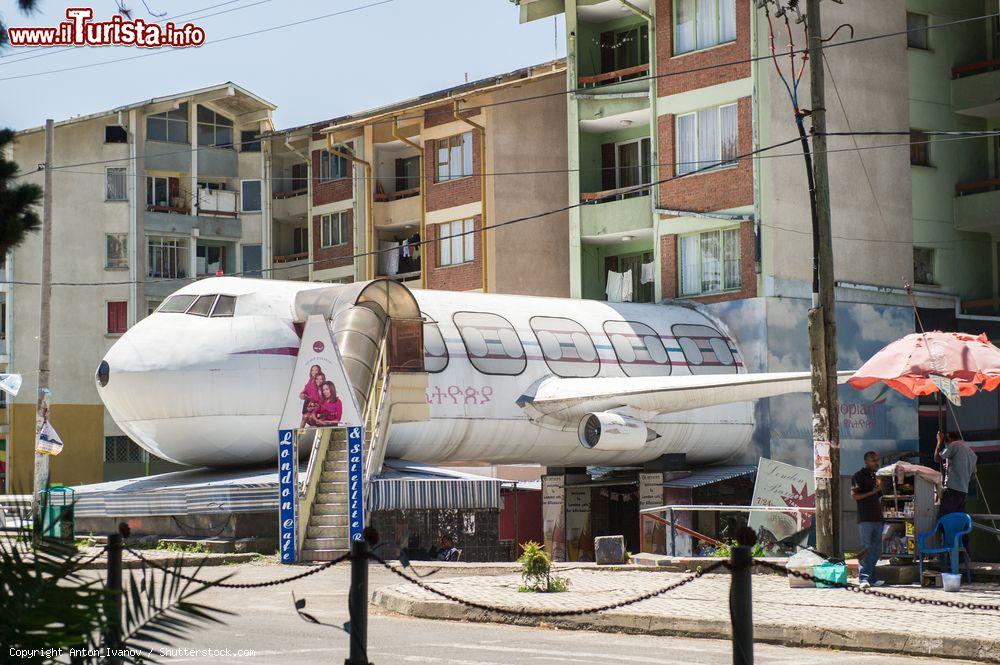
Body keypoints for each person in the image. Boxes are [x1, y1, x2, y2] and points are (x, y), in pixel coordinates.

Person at [935, 431, 978, 551]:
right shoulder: (971, 452)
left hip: (953, 489)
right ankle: (965, 551)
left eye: (946, 442)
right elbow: (973, 476)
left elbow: (937, 458)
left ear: (949, 440)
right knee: (961, 522)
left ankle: (948, 550)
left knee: (943, 519)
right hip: (963, 491)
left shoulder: (954, 445)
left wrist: (939, 441)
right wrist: (953, 467)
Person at [851, 451, 885, 588]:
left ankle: (872, 577)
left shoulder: (875, 476)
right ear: (866, 461)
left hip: (877, 517)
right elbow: (855, 496)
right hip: (865, 518)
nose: (876, 462)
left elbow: (879, 496)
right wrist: (872, 492)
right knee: (866, 548)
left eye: (877, 460)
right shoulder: (858, 476)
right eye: (873, 460)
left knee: (876, 550)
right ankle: (863, 578)